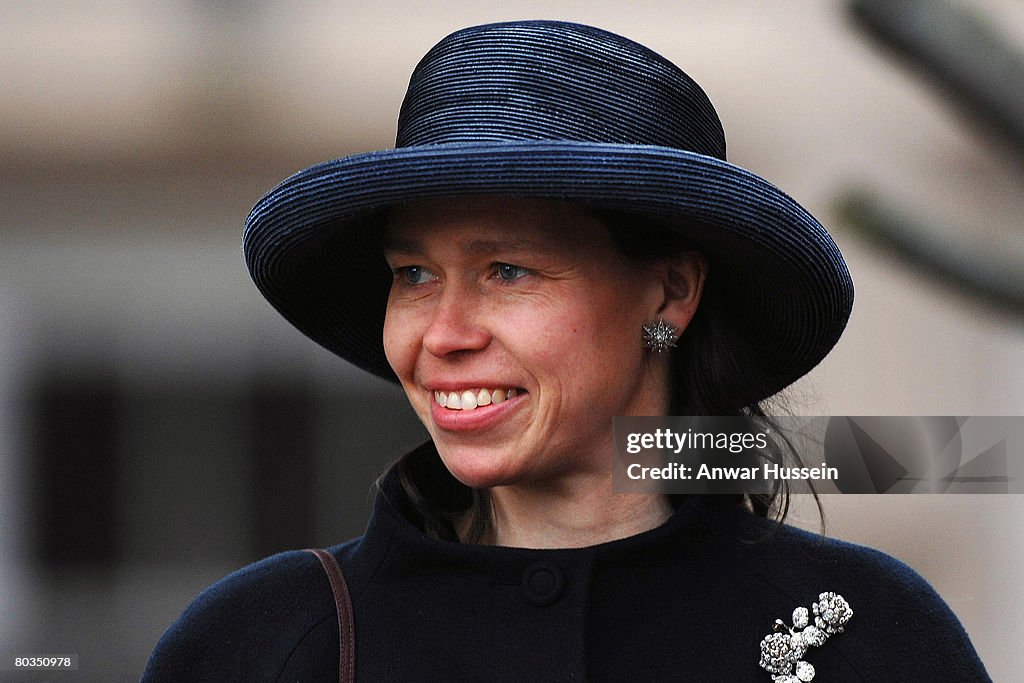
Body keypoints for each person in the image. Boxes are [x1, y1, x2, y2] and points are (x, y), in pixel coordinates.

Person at [142, 20, 989, 681]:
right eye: (413, 273)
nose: (443, 334)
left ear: (669, 293)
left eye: (506, 270)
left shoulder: (868, 634)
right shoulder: (263, 643)